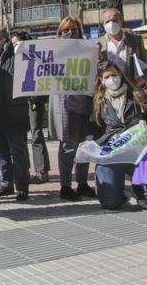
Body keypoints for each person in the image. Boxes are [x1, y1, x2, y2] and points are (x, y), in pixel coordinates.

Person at [90, 62, 147, 210]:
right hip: (111, 155)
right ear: (101, 80)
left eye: (114, 75)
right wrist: (94, 145)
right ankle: (118, 193)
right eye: (107, 76)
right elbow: (93, 130)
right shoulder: (97, 102)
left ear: (121, 75)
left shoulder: (138, 96)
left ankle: (142, 193)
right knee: (110, 203)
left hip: (136, 153)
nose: (112, 79)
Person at [49, 16, 98, 201]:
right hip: (65, 107)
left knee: (84, 146)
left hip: (85, 105)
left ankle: (83, 183)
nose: (70, 33)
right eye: (66, 30)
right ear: (59, 33)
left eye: (74, 29)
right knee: (67, 148)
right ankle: (65, 186)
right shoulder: (53, 52)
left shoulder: (88, 49)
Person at [0, 26, 32, 201]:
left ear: (3, 41)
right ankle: (6, 183)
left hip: (14, 113)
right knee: (1, 151)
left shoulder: (17, 56)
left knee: (17, 151)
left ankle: (22, 186)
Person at [11, 32, 51, 183]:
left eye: (16, 44)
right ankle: (24, 171)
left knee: (36, 134)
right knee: (21, 137)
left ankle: (42, 171)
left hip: (34, 102)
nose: (14, 47)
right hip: (18, 104)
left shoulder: (37, 58)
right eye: (12, 45)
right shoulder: (12, 59)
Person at [96, 8, 147, 89]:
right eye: (107, 21)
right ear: (103, 25)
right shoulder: (98, 43)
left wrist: (143, 80)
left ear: (121, 21)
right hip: (108, 91)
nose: (111, 23)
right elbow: (95, 69)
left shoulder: (135, 40)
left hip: (131, 89)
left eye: (114, 20)